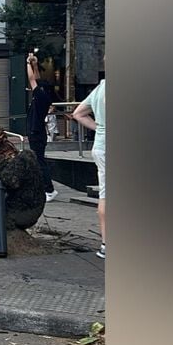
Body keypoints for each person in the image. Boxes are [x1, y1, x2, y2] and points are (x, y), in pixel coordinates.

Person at [71, 75, 106, 259]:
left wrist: (99, 128)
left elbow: (78, 114)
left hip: (101, 146)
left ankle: (106, 244)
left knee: (105, 195)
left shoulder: (100, 89)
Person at [25, 52, 58, 202]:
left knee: (39, 161)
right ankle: (44, 188)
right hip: (37, 132)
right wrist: (35, 64)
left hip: (37, 132)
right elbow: (36, 79)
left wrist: (27, 63)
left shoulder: (41, 97)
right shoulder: (43, 96)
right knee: (38, 160)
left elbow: (32, 79)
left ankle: (49, 189)